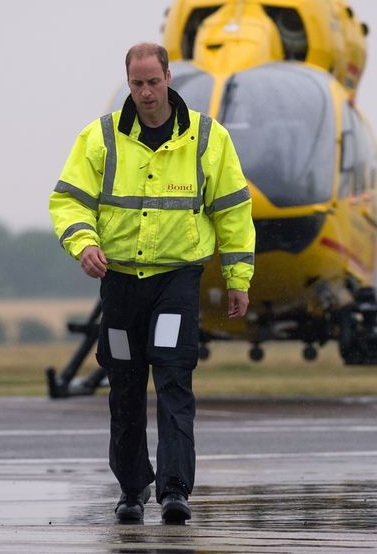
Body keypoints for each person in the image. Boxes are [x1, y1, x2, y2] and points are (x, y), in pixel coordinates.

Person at [49, 42, 255, 524]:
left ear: (168, 79)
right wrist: (83, 244)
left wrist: (237, 277)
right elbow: (67, 201)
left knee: (173, 381)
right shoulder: (99, 138)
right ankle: (132, 488)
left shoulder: (208, 138)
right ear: (129, 83)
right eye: (137, 83)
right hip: (120, 285)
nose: (146, 92)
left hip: (176, 282)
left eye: (153, 82)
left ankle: (176, 489)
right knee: (123, 388)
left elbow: (233, 210)